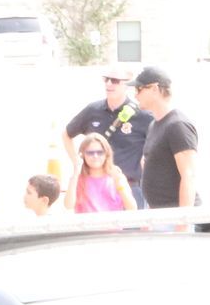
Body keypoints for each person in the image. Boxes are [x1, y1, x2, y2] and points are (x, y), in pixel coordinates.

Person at [64, 67, 154, 207]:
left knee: (133, 221)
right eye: (106, 79)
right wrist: (76, 162)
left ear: (127, 85)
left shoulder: (143, 116)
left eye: (115, 80)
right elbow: (66, 134)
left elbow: (155, 147)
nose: (109, 84)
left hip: (130, 188)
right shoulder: (93, 110)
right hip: (96, 187)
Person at [133, 66, 199, 209]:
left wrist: (184, 218)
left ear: (154, 89)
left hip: (175, 214)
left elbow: (189, 175)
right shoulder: (154, 125)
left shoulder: (177, 125)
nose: (135, 95)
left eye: (139, 89)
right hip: (159, 213)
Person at [68, 131, 137, 212]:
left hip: (112, 220)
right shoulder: (78, 178)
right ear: (82, 155)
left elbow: (132, 207)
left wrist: (119, 184)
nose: (95, 156)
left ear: (106, 154)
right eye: (90, 153)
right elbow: (68, 205)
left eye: (100, 152)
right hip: (86, 220)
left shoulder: (117, 176)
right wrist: (75, 174)